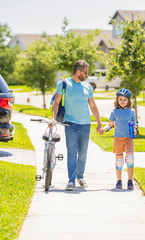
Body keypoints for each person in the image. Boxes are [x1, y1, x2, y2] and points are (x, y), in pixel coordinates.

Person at [51, 60, 102, 191]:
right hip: (70, 123)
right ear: (78, 71)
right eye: (85, 72)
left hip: (85, 124)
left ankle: (80, 176)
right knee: (72, 153)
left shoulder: (88, 87)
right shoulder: (63, 84)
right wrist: (53, 118)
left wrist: (99, 123)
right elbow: (56, 102)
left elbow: (93, 105)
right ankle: (71, 180)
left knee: (83, 153)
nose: (87, 75)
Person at [100, 88, 137, 189]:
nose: (123, 101)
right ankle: (119, 181)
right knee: (119, 160)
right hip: (118, 139)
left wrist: (135, 129)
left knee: (130, 159)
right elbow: (110, 125)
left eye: (125, 99)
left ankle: (130, 181)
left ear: (128, 101)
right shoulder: (114, 112)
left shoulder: (131, 112)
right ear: (117, 100)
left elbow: (134, 123)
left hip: (128, 138)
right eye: (121, 99)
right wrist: (104, 129)